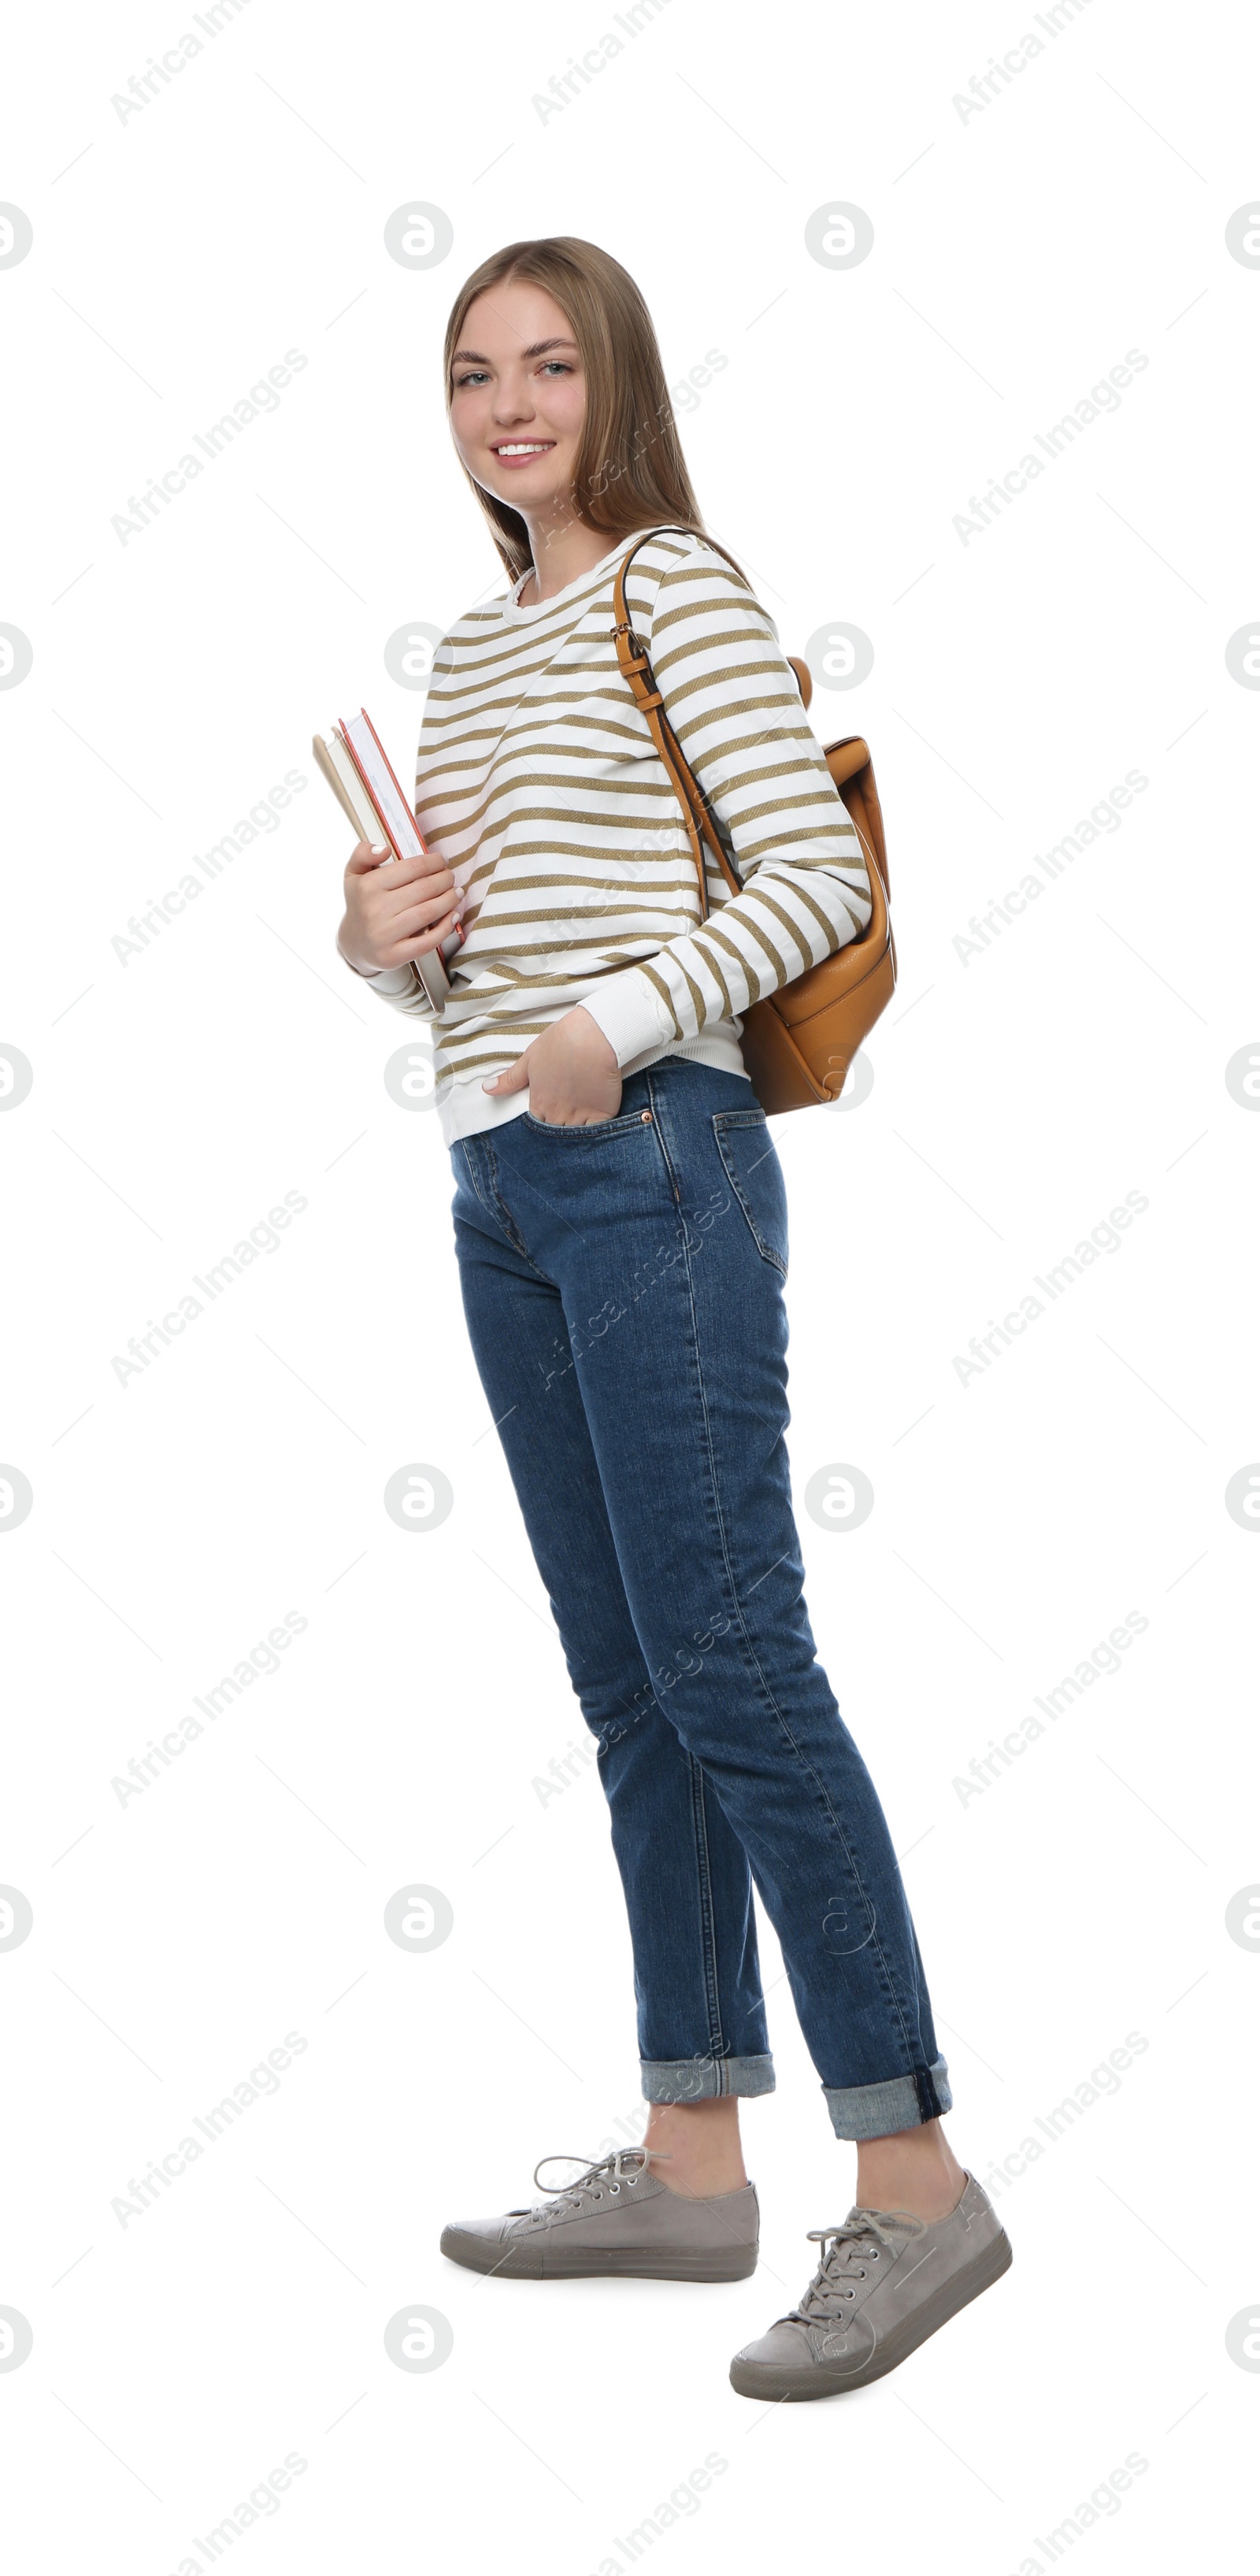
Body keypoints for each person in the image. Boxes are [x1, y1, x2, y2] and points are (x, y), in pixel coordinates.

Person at [335, 235, 1012, 2400]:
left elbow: (813, 876)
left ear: (612, 386)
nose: (508, 405)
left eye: (546, 366)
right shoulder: (464, 647)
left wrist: (615, 1023)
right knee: (635, 1681)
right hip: (501, 1183)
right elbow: (459, 961)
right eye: (471, 376)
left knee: (735, 1659)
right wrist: (379, 935)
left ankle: (915, 2184)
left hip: (653, 1169)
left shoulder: (678, 586)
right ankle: (690, 2152)